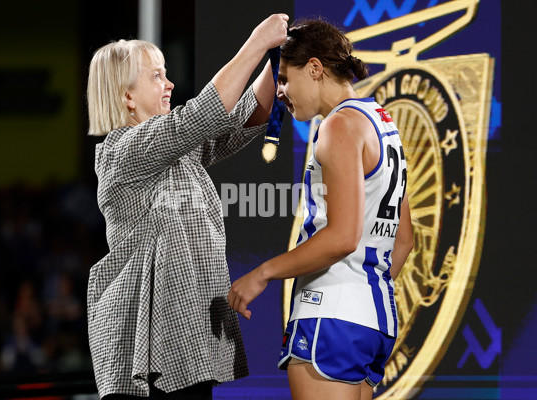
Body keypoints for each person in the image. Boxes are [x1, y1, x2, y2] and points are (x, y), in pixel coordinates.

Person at [85, 13, 288, 400]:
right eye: (156, 76)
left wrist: (275, 59)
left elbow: (245, 117)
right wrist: (256, 42)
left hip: (183, 339)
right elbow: (199, 117)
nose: (169, 83)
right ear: (126, 97)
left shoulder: (180, 153)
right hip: (142, 353)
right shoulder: (120, 153)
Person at [227, 18, 414, 400]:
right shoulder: (383, 123)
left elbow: (343, 237)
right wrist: (361, 291)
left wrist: (262, 274)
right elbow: (404, 240)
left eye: (283, 78)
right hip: (372, 322)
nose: (280, 92)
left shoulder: (339, 126)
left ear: (314, 68)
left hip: (330, 316)